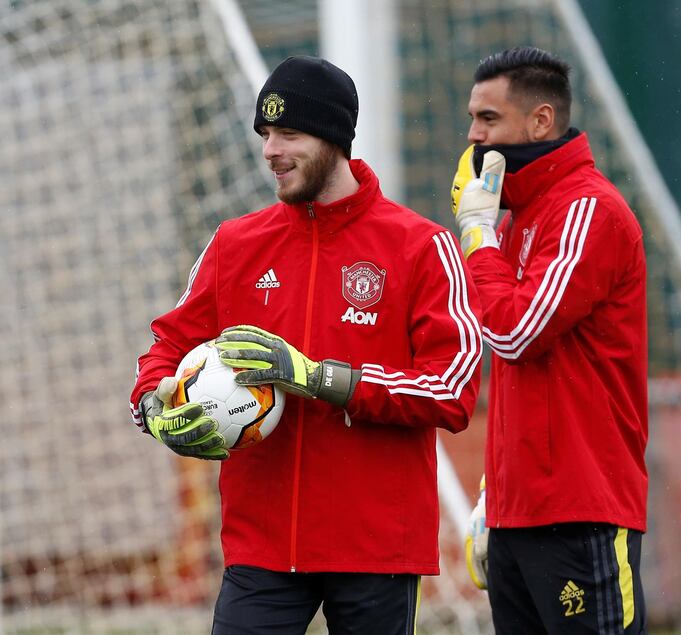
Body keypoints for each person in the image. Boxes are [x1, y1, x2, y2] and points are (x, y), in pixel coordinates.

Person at [129, 55, 483, 635]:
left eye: (288, 133)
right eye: (266, 135)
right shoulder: (235, 243)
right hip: (261, 551)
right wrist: (153, 402)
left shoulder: (422, 247)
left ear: (334, 138)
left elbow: (452, 390)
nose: (270, 150)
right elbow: (167, 344)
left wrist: (320, 378)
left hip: (376, 553)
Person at [453, 46, 649, 634]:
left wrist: (479, 236)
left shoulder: (589, 210)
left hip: (579, 513)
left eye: (488, 119)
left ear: (540, 121)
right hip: (517, 519)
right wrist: (496, 493)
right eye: (472, 118)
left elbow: (516, 334)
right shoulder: (519, 215)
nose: (472, 137)